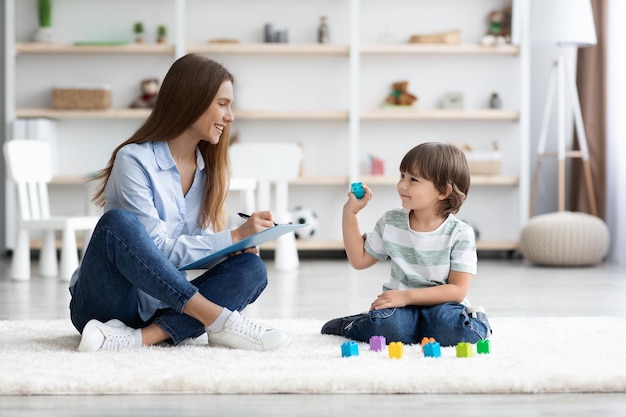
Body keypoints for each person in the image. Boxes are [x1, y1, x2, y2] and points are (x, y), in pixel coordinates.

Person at [69, 53, 291, 352]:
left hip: (164, 305)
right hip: (108, 304)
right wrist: (234, 236)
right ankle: (219, 321)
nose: (230, 116)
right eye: (222, 104)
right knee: (117, 223)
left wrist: (231, 248)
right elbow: (156, 251)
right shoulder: (133, 159)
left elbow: (191, 251)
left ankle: (138, 339)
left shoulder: (207, 170)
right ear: (191, 101)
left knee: (251, 267)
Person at [321, 142, 491, 347]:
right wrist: (350, 213)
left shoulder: (460, 234)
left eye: (413, 180)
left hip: (441, 306)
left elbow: (457, 290)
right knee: (386, 327)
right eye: (402, 176)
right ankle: (356, 324)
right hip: (401, 308)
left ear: (443, 191)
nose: (402, 185)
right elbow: (359, 260)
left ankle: (478, 319)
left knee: (452, 330)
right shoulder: (392, 222)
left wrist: (406, 296)